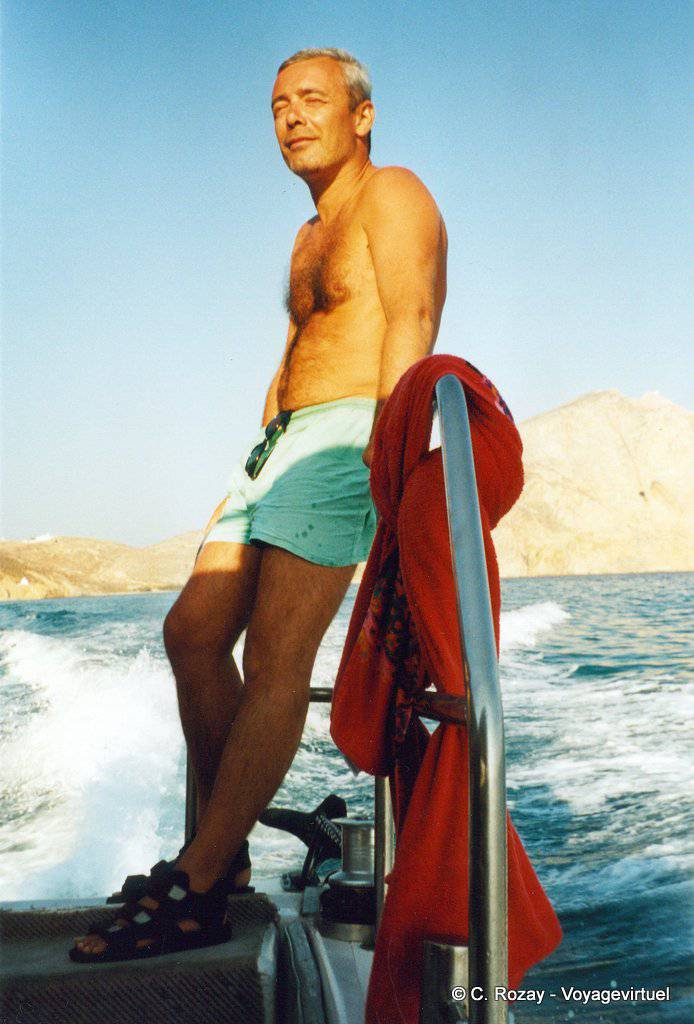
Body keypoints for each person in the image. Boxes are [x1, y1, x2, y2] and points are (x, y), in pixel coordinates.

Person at [71, 46, 447, 962]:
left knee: (277, 659)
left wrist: (388, 449)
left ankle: (198, 883)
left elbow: (412, 317)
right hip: (277, 450)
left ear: (362, 115)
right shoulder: (307, 234)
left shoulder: (393, 193)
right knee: (192, 633)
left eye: (312, 99)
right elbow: (299, 343)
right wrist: (266, 429)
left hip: (347, 437)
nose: (291, 117)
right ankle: (226, 852)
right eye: (279, 105)